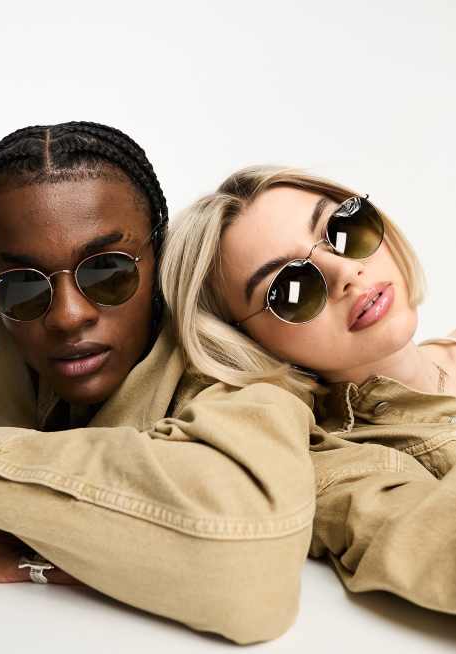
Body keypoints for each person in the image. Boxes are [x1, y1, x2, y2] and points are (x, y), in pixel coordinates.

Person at [0, 126, 316, 645]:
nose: (68, 316)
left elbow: (248, 572)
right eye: (22, 284)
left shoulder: (229, 371)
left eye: (107, 271)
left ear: (159, 253)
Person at [160, 164, 456, 616]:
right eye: (290, 287)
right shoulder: (342, 468)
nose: (345, 272)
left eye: (343, 228)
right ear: (247, 344)